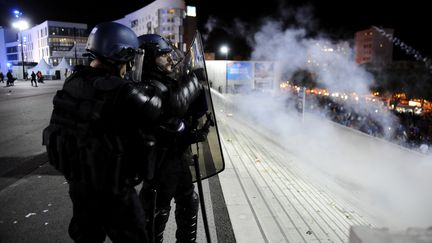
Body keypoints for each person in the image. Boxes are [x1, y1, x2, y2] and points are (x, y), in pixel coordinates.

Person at [42, 22, 201, 243]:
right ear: (120, 54)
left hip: (80, 186)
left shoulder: (73, 82)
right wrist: (194, 82)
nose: (130, 65)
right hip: (113, 190)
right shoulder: (121, 91)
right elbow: (164, 109)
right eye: (130, 58)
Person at [137, 34, 208, 243]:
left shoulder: (165, 81)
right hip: (159, 164)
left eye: (169, 54)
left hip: (176, 158)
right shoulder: (146, 87)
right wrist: (193, 80)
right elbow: (173, 107)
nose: (169, 59)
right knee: (156, 213)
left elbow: (176, 123)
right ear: (150, 58)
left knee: (189, 200)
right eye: (163, 55)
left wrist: (194, 133)